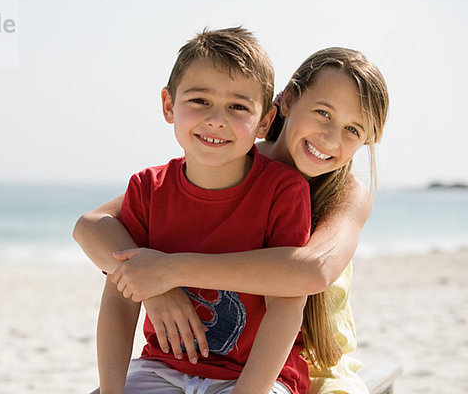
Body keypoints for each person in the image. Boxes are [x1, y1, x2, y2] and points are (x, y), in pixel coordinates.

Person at [73, 44, 389, 394]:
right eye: (323, 113)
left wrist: (170, 271)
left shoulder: (345, 192)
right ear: (286, 101)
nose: (331, 138)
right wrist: (157, 290)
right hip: (182, 362)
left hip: (309, 363)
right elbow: (92, 226)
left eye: (353, 130)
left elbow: (311, 271)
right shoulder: (219, 160)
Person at [91, 27, 316, 394]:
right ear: (168, 105)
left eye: (238, 107)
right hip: (160, 368)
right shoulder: (148, 189)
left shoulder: (283, 191)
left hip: (257, 377)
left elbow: (287, 305)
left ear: (264, 121)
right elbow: (120, 296)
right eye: (199, 100)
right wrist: (110, 390)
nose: (216, 119)